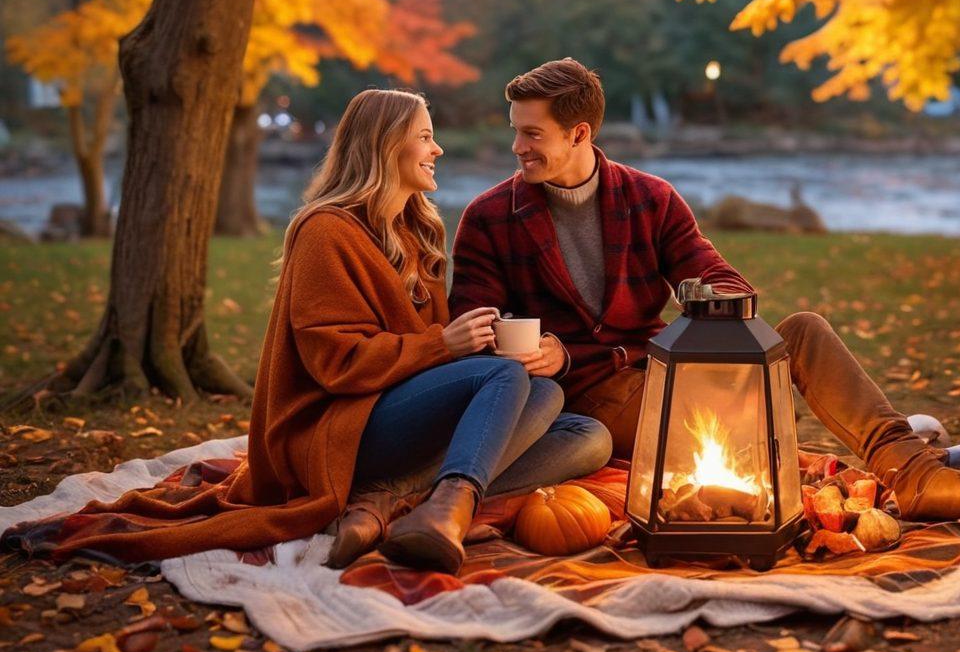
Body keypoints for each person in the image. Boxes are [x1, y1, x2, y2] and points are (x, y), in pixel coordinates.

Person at [4, 89, 612, 574]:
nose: (438, 149)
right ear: (384, 145)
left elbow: (437, 368)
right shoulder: (326, 232)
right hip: (336, 426)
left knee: (582, 428)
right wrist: (442, 344)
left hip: (395, 428)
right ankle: (442, 508)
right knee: (506, 375)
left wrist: (468, 345)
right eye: (425, 136)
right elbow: (334, 364)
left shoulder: (416, 233)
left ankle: (390, 501)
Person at [449, 59, 960, 521]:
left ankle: (915, 473)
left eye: (532, 134)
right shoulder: (489, 216)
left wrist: (696, 299)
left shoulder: (650, 198)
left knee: (805, 331)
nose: (517, 147)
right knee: (750, 440)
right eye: (516, 132)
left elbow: (728, 283)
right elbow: (473, 329)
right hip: (587, 395)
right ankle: (926, 473)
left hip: (664, 366)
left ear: (578, 133)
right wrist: (548, 351)